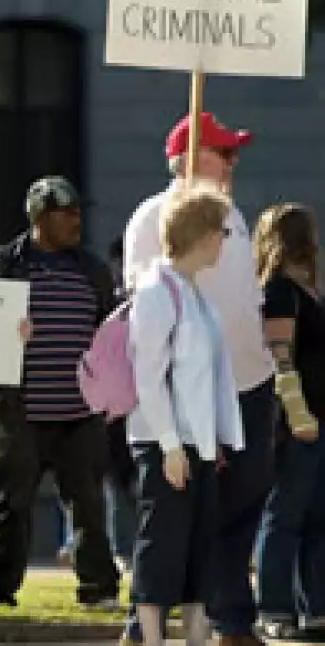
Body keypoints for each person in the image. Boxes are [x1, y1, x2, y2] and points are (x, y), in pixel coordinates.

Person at [123, 113, 276, 646]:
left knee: (241, 504)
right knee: (173, 519)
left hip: (248, 383)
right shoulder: (151, 217)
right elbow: (149, 314)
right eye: (223, 153)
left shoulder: (231, 213)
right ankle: (146, 625)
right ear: (190, 159)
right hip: (189, 398)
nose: (233, 163)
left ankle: (228, 615)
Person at [0, 176, 120, 608]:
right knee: (9, 505)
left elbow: (107, 335)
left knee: (88, 504)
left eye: (77, 212)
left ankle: (99, 588)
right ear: (38, 217)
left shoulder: (91, 270)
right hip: (20, 411)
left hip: (80, 413)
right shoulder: (1, 266)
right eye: (65, 212)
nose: (76, 221)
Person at [126, 185, 245, 646]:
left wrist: (212, 443)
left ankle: (195, 636)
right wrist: (171, 445)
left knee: (200, 548)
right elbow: (149, 377)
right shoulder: (157, 292)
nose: (224, 242)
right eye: (222, 232)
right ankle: (152, 637)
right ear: (201, 234)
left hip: (200, 443)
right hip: (165, 442)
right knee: (162, 544)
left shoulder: (194, 294)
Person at [252, 203, 325, 639]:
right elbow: (280, 356)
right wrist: (298, 414)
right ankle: (274, 609)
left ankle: (315, 607)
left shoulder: (309, 291)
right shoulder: (280, 291)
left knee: (318, 518)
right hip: (298, 425)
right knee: (284, 516)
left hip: (320, 422)